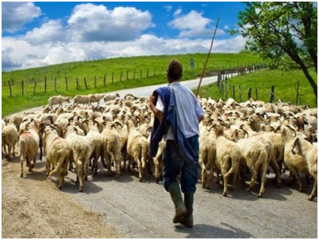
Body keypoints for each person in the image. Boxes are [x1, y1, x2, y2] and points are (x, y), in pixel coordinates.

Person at [149, 59, 204, 228]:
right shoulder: (190, 93)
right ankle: (189, 218)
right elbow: (201, 116)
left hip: (175, 141)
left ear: (168, 75)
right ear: (180, 76)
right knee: (189, 179)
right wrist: (190, 124)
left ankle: (180, 207)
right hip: (193, 140)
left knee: (170, 176)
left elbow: (160, 115)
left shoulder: (165, 93)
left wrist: (151, 104)